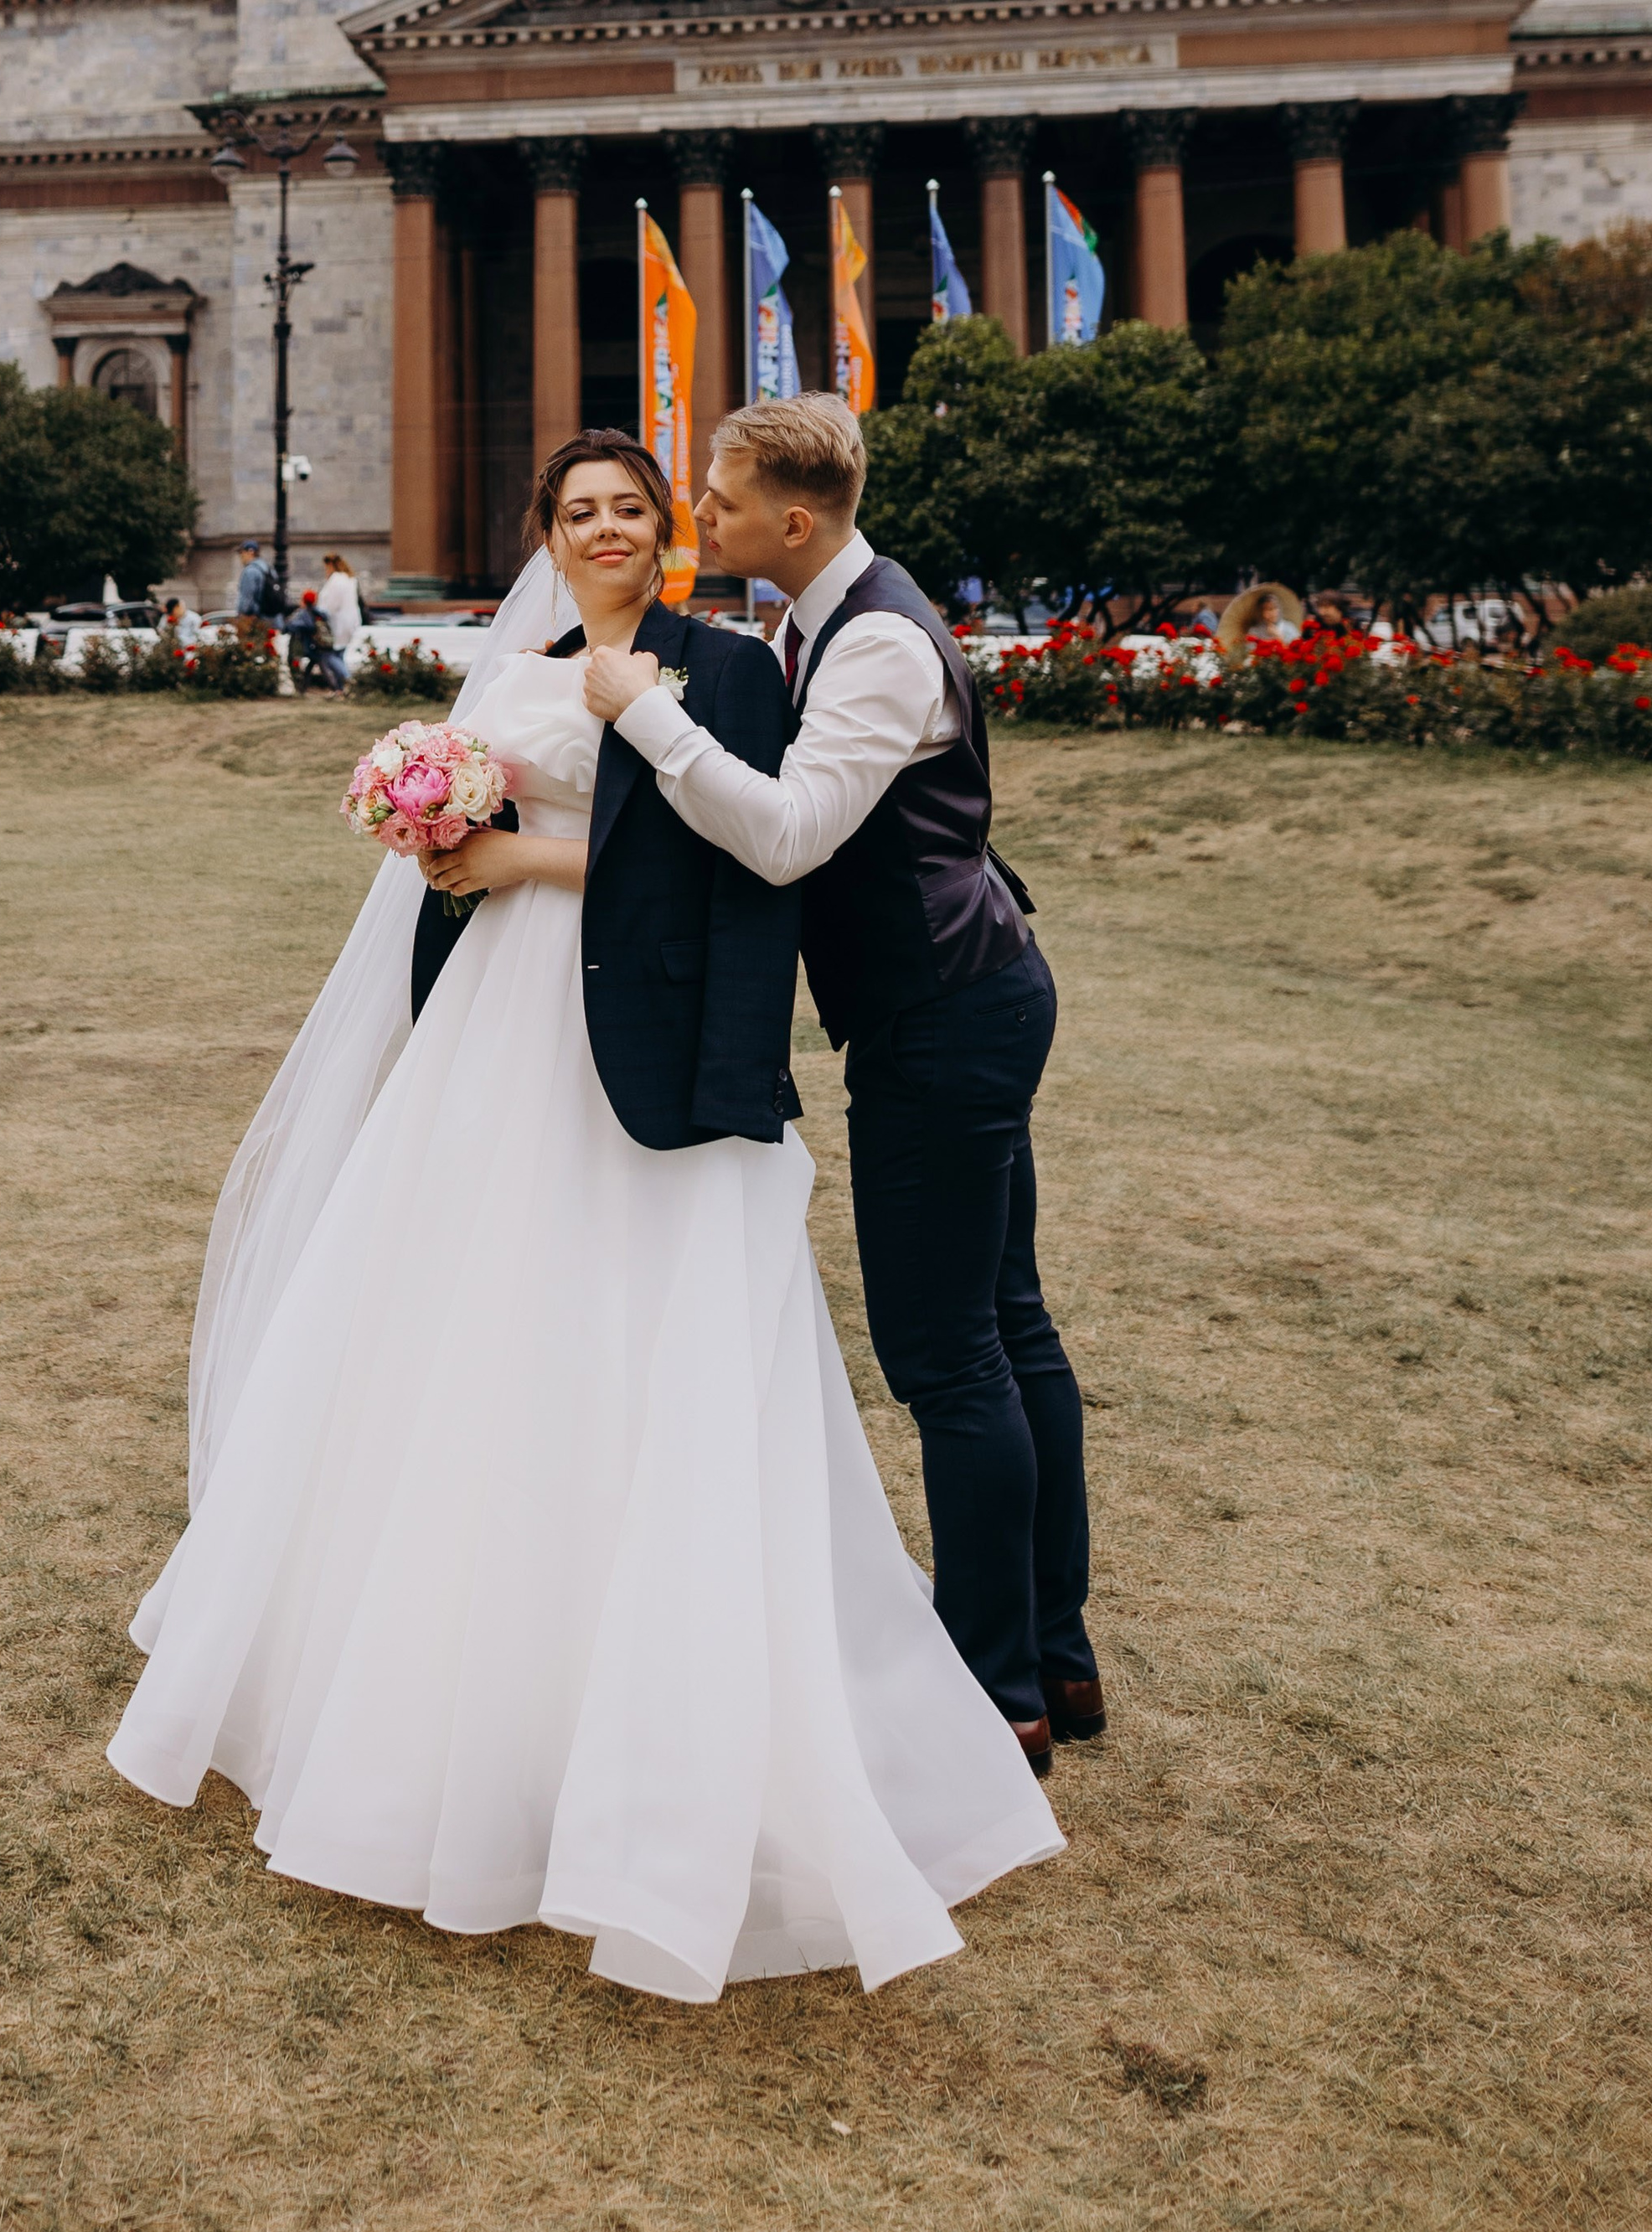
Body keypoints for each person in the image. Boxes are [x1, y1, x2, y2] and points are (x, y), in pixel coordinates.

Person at [107, 426, 1059, 2001]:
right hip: (504, 1029)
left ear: (670, 528)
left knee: (666, 1337)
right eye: (580, 511)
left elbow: (736, 869)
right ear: (544, 532)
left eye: (633, 508)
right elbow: (460, 859)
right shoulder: (515, 670)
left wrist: (519, 853)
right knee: (469, 1326)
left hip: (655, 1041)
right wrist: (433, 839)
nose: (607, 528)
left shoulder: (727, 670)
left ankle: (963, 1669)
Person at [583, 394, 1102, 1778]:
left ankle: (995, 1685)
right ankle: (1055, 1655)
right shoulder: (820, 619)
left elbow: (789, 837)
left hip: (946, 1014)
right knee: (1005, 1325)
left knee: (950, 1353)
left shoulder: (873, 642)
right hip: (961, 998)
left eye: (721, 497)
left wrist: (648, 719)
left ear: (795, 521)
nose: (700, 512)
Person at [318, 552, 364, 674]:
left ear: (331, 565)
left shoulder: (336, 580)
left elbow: (330, 605)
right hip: (350, 622)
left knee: (328, 656)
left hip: (337, 623)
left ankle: (348, 679)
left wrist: (320, 614)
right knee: (339, 654)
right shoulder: (350, 579)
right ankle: (341, 684)